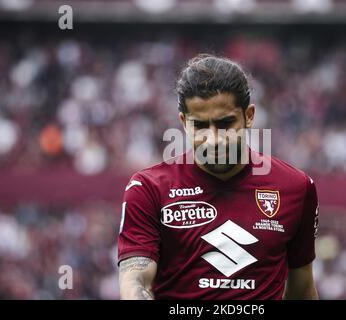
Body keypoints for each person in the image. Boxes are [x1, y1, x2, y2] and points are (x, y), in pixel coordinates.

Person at [118, 54, 319, 300]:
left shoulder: (297, 188)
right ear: (183, 122)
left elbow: (302, 287)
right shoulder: (148, 188)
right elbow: (135, 278)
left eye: (225, 123)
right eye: (200, 126)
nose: (214, 139)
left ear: (249, 116)